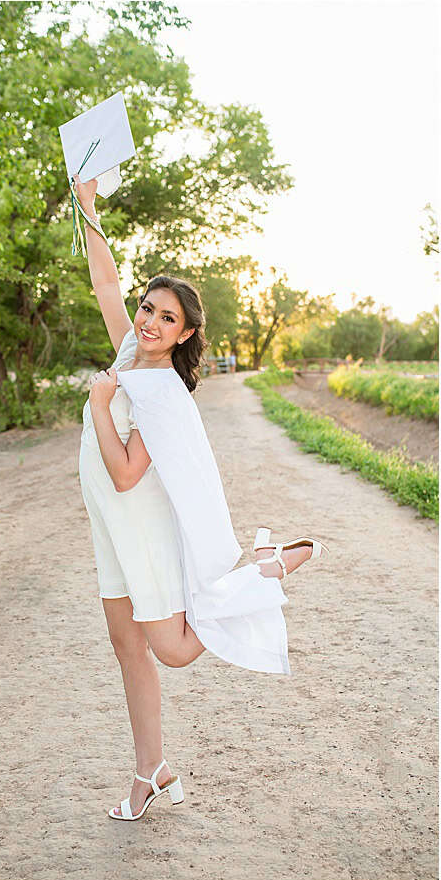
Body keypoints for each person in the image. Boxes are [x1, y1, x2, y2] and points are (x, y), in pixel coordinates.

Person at [73, 175, 323, 822]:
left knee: (176, 649)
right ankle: (151, 771)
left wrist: (102, 405)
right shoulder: (130, 351)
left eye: (167, 317)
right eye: (149, 309)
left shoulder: (161, 394)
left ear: (186, 334)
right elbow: (105, 282)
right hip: (109, 529)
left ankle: (265, 573)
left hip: (139, 524)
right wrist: (89, 208)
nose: (151, 322)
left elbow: (127, 472)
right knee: (127, 648)